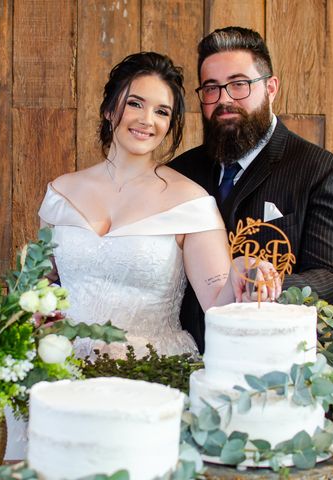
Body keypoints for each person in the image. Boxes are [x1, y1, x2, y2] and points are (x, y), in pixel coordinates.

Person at [38, 51, 281, 359]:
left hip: (152, 371)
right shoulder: (60, 194)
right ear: (109, 110)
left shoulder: (190, 203)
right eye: (135, 104)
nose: (147, 120)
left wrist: (241, 269)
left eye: (162, 112)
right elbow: (39, 288)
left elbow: (218, 307)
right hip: (63, 367)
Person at [170, 27, 333, 352]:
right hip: (184, 365)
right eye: (211, 88)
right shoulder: (179, 173)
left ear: (271, 88)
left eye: (239, 84)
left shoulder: (326, 174)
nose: (224, 99)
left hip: (273, 367)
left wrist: (265, 287)